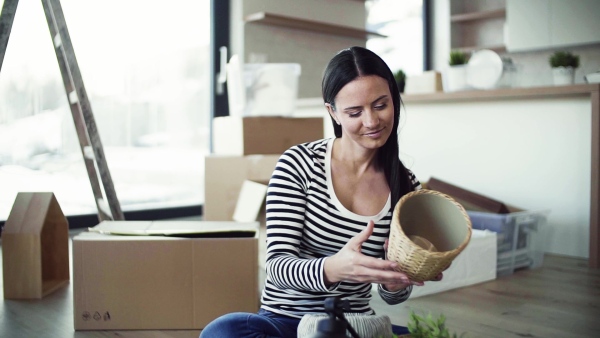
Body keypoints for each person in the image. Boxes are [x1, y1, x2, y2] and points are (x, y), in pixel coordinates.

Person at [200, 46, 443, 338]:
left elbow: (393, 297)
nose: (371, 121)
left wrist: (395, 282)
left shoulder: (406, 186)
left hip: (354, 326)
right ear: (333, 113)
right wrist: (335, 268)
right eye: (354, 112)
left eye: (381, 105)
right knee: (224, 331)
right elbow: (277, 265)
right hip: (286, 323)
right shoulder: (299, 164)